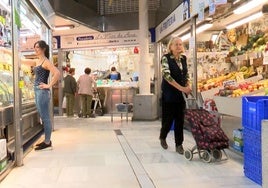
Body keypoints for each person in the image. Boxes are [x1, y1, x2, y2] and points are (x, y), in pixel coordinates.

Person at [23, 40, 60, 150]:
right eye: (35, 47)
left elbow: (57, 73)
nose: (35, 49)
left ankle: (47, 142)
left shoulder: (46, 61)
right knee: (43, 116)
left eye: (37, 47)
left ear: (43, 49)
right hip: (37, 91)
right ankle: (46, 140)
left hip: (42, 92)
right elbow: (22, 60)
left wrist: (49, 85)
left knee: (45, 117)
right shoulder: (38, 61)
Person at [159, 36, 192, 155]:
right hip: (169, 93)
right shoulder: (165, 58)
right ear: (171, 47)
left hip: (181, 94)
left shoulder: (183, 58)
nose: (179, 46)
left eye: (180, 44)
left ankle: (179, 144)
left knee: (180, 119)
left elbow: (186, 74)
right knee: (168, 119)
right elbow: (167, 77)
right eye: (176, 44)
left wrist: (188, 85)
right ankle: (163, 136)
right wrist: (182, 88)